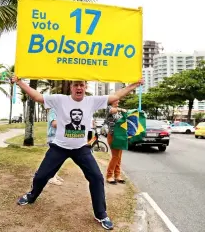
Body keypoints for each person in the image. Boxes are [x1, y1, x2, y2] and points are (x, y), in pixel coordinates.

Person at [12, 77, 143, 230]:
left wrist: (134, 84)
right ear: (71, 88)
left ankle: (101, 213)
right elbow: (37, 97)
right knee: (41, 176)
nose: (79, 87)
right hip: (59, 147)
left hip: (81, 149)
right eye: (76, 85)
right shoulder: (60, 100)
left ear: (85, 87)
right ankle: (31, 196)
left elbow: (115, 96)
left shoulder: (91, 101)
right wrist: (19, 82)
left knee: (96, 177)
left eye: (82, 84)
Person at [105, 100, 127, 185]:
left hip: (120, 135)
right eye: (116, 100)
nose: (118, 101)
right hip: (113, 135)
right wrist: (121, 109)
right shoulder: (109, 108)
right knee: (115, 156)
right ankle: (109, 176)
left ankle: (117, 175)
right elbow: (112, 111)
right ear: (112, 101)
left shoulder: (118, 111)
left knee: (119, 157)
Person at [46, 108, 64, 185]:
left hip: (59, 138)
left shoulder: (60, 110)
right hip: (53, 138)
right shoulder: (53, 110)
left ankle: (54, 175)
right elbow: (54, 124)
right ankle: (51, 177)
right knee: (53, 159)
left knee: (58, 159)